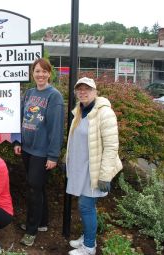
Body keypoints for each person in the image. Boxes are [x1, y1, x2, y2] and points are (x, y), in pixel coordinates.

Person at [66, 77, 122, 255]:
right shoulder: (79, 111)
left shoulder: (105, 113)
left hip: (95, 171)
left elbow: (112, 146)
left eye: (87, 89)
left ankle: (89, 247)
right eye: (79, 89)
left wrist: (105, 176)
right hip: (82, 169)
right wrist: (67, 161)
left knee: (86, 206)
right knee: (86, 206)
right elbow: (75, 142)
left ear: (95, 91)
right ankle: (88, 237)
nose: (83, 92)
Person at [14, 58, 64, 247]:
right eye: (37, 71)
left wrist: (53, 155)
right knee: (39, 187)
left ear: (49, 73)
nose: (40, 75)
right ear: (32, 73)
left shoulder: (54, 96)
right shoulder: (29, 93)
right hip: (27, 148)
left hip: (42, 152)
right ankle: (42, 223)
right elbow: (20, 117)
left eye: (44, 71)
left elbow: (56, 128)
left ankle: (31, 230)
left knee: (34, 189)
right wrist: (18, 140)